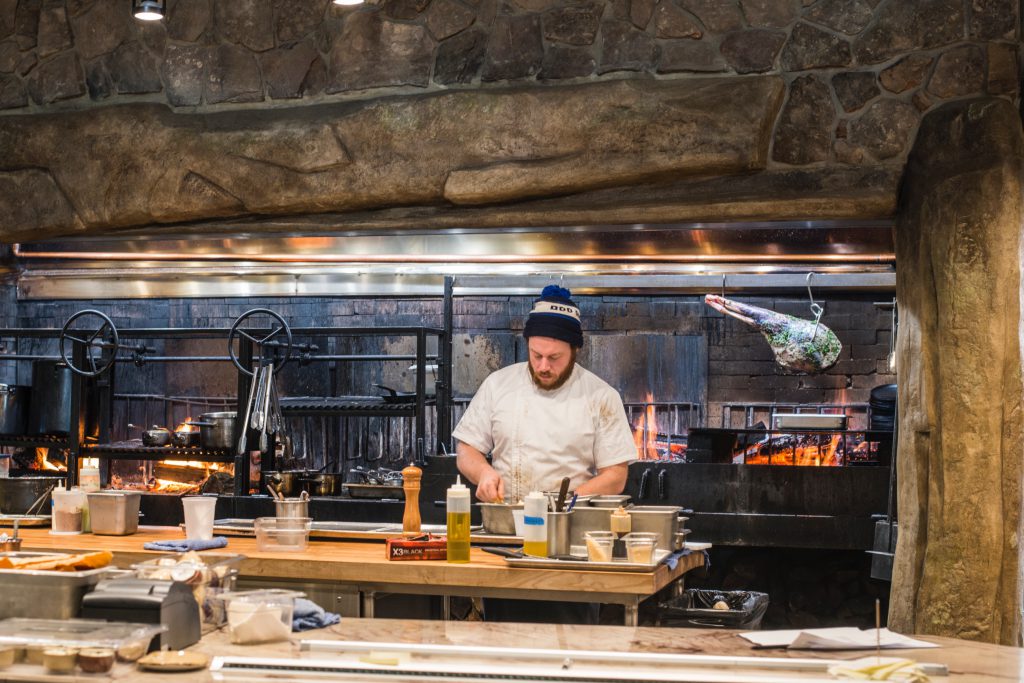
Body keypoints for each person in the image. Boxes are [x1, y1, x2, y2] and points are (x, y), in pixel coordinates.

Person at [452, 285, 638, 624]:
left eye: (554, 358)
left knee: (571, 642)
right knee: (505, 641)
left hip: (570, 544)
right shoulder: (499, 385)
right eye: (536, 355)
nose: (543, 366)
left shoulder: (600, 396)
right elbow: (466, 450)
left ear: (575, 351)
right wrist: (484, 474)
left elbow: (615, 475)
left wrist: (562, 503)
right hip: (507, 540)